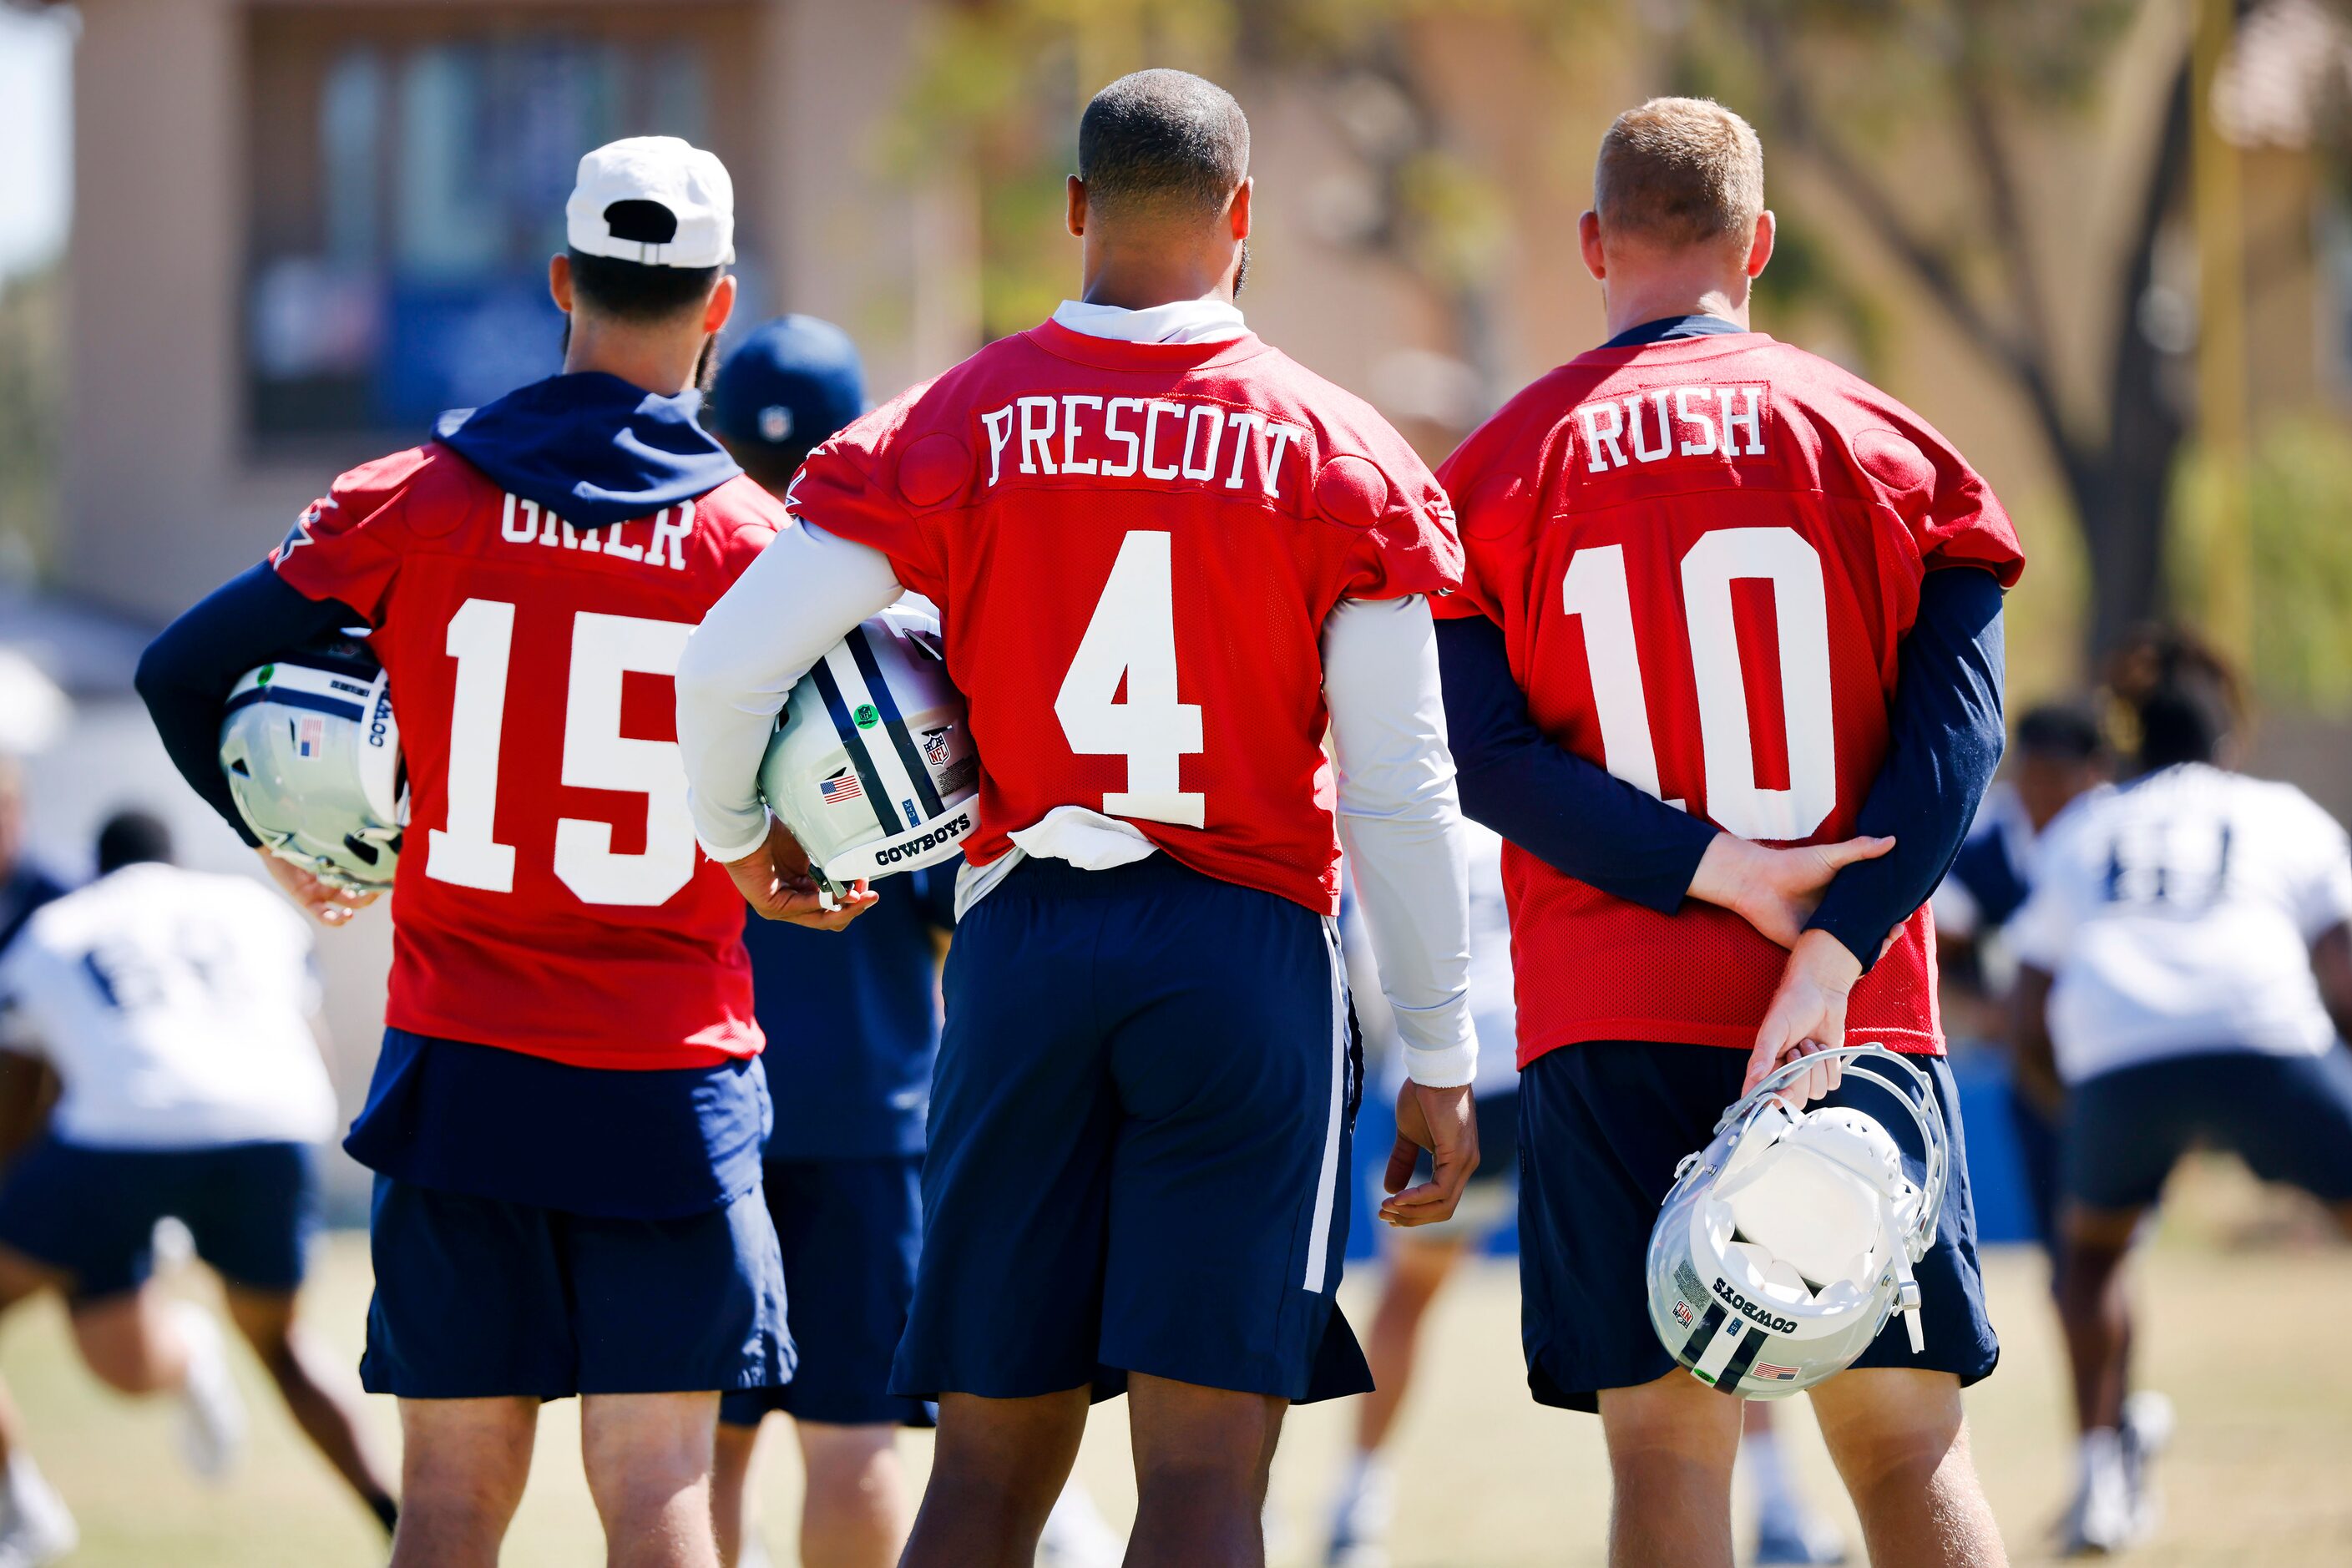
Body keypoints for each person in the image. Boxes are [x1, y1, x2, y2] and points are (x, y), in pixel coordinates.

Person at [677, 68, 1480, 1568]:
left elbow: (727, 660)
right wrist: (1437, 1047)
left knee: (981, 1474)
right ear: (1242, 222)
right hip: (1243, 949)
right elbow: (1396, 784)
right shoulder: (1340, 448)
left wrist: (742, 840)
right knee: (1200, 1477)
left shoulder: (958, 420)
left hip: (1025, 939)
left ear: (1072, 214)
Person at [137, 137, 844, 1568]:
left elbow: (178, 672)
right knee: (660, 1490)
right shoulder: (758, 545)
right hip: (669, 1074)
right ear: (718, 307)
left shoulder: (412, 494)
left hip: (462, 1070)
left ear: (559, 281)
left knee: (451, 1504)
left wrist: (284, 840)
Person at [1434, 99, 2022, 1567]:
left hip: (1609, 1007)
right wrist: (1827, 944)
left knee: (1663, 1440)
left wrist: (1711, 874)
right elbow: (1958, 742)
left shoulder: (1500, 466)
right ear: (1756, 242)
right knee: (1902, 1439)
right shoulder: (1888, 442)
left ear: (1591, 244)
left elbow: (1482, 756)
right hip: (1855, 1019)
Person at [2006, 628, 2352, 1556]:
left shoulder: (2089, 825)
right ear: (2228, 741)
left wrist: (2074, 1113)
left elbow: (2029, 1005)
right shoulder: (2279, 810)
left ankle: (2098, 1484)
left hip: (2121, 1054)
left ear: (2130, 747)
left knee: (2090, 1262)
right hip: (2264, 1032)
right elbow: (2345, 969)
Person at [0, 811, 398, 1564]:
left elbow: (23, 1085)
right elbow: (307, 1041)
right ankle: (396, 1521)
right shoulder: (249, 908)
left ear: (99, 865)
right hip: (272, 1126)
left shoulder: (56, 925)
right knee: (281, 1348)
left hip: (118, 1136)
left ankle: (19, 1513)